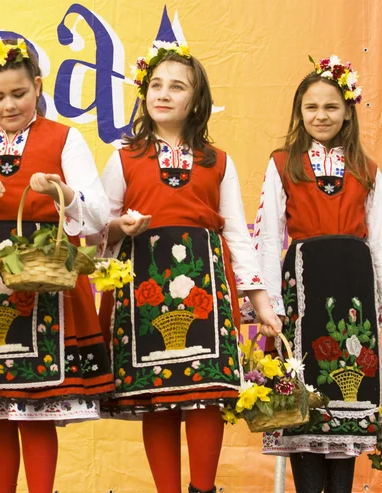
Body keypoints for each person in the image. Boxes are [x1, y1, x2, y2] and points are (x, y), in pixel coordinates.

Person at [95, 40, 282, 493]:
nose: (163, 93)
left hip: (207, 285)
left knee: (204, 397)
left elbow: (237, 234)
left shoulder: (218, 162)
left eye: (177, 87)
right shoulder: (124, 156)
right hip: (142, 285)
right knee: (157, 398)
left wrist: (262, 302)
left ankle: (203, 489)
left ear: (196, 100)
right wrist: (120, 226)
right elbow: (97, 231)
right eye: (156, 85)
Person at [0, 35, 114, 493]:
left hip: (45, 279)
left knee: (36, 406)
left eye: (19, 94)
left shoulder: (64, 138)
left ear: (37, 86)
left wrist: (63, 193)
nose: (9, 105)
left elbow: (98, 214)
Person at [254, 55, 382, 493]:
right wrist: (268, 303)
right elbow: (269, 236)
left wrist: (379, 306)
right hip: (302, 292)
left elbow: (379, 241)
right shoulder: (283, 162)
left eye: (330, 107)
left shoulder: (367, 168)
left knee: (347, 404)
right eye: (311, 108)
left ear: (347, 111)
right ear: (299, 112)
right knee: (303, 399)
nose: (321, 116)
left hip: (354, 294)